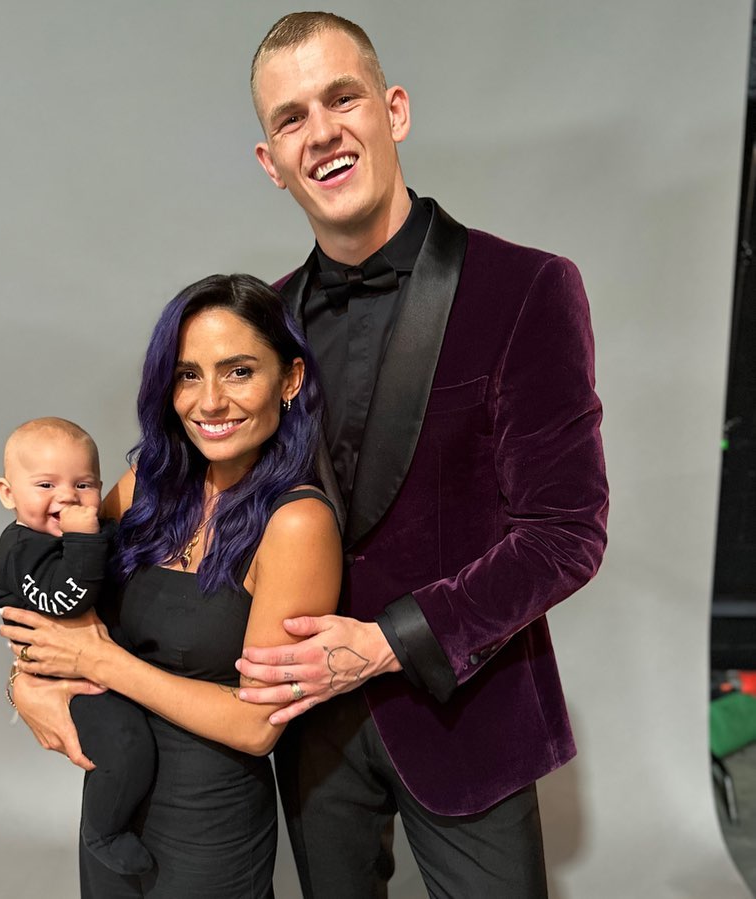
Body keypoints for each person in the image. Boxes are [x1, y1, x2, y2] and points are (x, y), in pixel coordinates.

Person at [232, 12, 609, 898]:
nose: (320, 131)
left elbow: (564, 533)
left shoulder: (527, 288)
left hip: (467, 716)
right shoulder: (261, 326)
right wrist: (60, 651)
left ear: (393, 111)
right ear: (269, 161)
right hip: (310, 729)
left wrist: (383, 645)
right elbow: (199, 514)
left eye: (342, 98)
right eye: (290, 118)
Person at [0, 273, 342, 898]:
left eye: (238, 371)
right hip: (113, 805)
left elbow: (257, 725)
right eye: (188, 375)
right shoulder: (143, 490)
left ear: (289, 380)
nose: (210, 401)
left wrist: (102, 662)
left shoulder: (296, 523)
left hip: (207, 828)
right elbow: (49, 596)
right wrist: (23, 685)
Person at [0, 417, 155, 876]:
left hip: (98, 667)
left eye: (84, 484)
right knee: (125, 745)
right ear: (7, 494)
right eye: (46, 484)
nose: (66, 497)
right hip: (64, 679)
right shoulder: (19, 551)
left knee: (133, 740)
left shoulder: (81, 533)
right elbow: (67, 601)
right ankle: (104, 830)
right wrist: (85, 538)